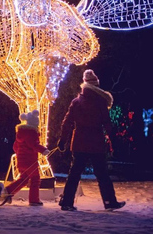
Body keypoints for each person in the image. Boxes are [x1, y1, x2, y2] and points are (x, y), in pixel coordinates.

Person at [57, 69, 126, 211]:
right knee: (102, 174)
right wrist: (114, 142)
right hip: (96, 143)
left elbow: (67, 122)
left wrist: (62, 140)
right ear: (96, 86)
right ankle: (109, 201)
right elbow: (107, 124)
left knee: (74, 173)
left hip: (79, 142)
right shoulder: (101, 103)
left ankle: (67, 202)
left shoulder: (76, 102)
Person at [3, 110, 50, 206]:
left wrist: (20, 154)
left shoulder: (20, 133)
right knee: (35, 179)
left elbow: (15, 147)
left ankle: (8, 190)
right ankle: (34, 200)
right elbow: (34, 144)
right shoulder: (32, 133)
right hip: (30, 160)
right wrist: (43, 150)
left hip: (20, 160)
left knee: (24, 179)